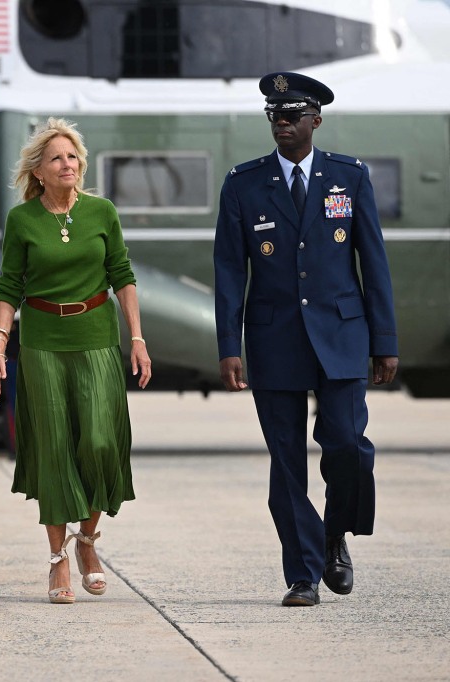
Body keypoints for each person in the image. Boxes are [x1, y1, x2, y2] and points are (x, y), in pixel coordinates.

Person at [214, 72, 398, 607]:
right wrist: (230, 344)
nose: (282, 125)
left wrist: (383, 339)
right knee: (286, 460)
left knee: (347, 445)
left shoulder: (350, 177)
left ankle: (334, 533)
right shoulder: (244, 184)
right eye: (275, 116)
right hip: (274, 340)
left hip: (341, 334)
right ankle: (302, 574)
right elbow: (229, 269)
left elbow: (374, 262)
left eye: (292, 116)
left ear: (315, 120)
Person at [0, 117, 152, 604]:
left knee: (100, 442)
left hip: (97, 337)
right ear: (38, 170)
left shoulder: (102, 212)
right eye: (57, 157)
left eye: (74, 156)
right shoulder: (23, 220)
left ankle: (88, 541)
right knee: (56, 449)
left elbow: (121, 273)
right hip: (41, 342)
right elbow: (9, 286)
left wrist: (137, 338)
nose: (69, 164)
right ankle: (59, 561)